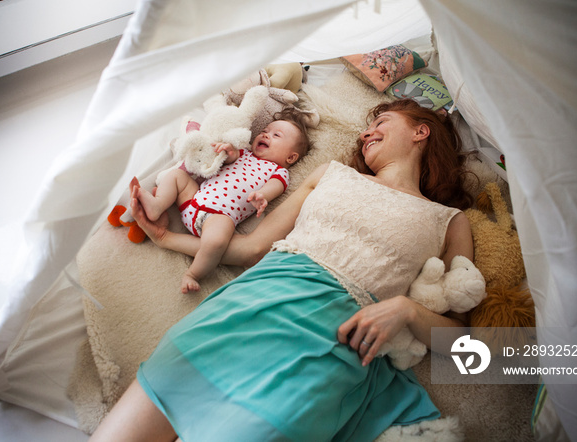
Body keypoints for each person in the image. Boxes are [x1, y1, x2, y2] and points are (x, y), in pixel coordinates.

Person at [90, 99, 475, 442]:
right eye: (366, 128)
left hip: (320, 356)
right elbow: (248, 249)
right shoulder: (330, 173)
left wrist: (407, 311)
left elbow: (467, 347)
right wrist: (166, 238)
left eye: (382, 122)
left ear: (420, 132)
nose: (365, 134)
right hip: (235, 318)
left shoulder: (449, 221)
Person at [132, 111, 310, 293]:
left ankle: (193, 273)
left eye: (276, 135)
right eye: (265, 130)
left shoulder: (278, 171)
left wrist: (262, 195)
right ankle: (158, 204)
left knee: (216, 242)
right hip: (194, 198)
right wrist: (228, 150)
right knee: (177, 176)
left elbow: (275, 186)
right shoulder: (245, 153)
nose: (265, 134)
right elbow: (230, 157)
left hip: (219, 215)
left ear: (291, 157)